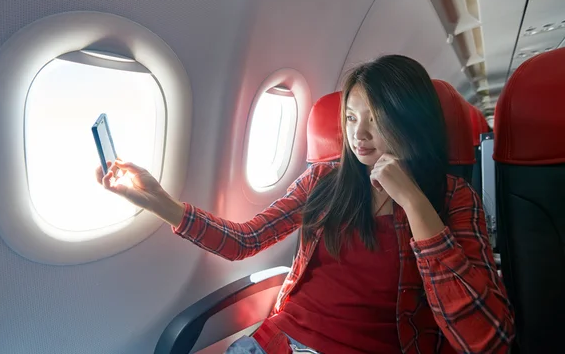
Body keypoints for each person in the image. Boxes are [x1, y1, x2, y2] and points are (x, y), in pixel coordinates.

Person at [96, 55, 514, 354]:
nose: (359, 135)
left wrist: (414, 203)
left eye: (376, 118)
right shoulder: (324, 179)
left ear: (409, 120)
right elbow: (245, 240)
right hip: (279, 342)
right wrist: (159, 202)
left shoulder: (454, 199)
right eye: (351, 117)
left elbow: (485, 339)